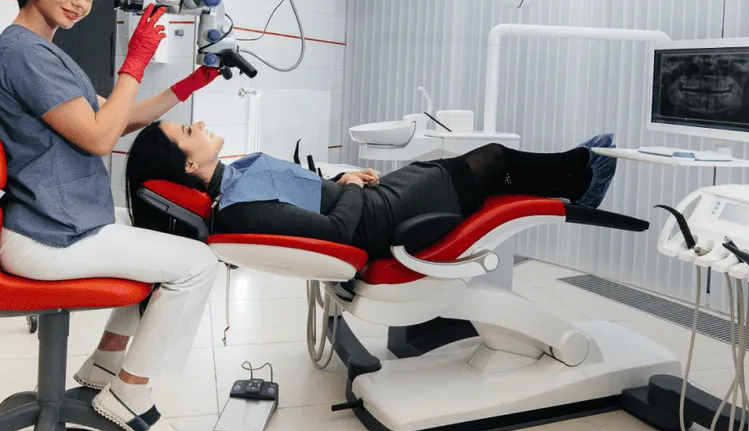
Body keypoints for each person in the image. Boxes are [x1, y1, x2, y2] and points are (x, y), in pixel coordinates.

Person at [0, 0, 223, 431]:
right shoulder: (22, 53)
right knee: (197, 265)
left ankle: (105, 363)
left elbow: (120, 118)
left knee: (154, 255)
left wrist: (192, 82)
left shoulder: (44, 53)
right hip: (49, 235)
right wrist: (136, 59)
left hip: (59, 223)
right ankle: (130, 393)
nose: (79, 2)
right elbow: (101, 138)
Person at [125, 117, 617, 261]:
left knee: (489, 170)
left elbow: (310, 198)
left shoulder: (238, 174)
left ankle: (574, 180)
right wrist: (352, 186)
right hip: (382, 216)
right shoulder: (239, 209)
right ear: (190, 163)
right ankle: (580, 177)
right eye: (189, 131)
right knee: (492, 161)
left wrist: (340, 180)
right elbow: (341, 233)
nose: (202, 123)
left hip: (379, 198)